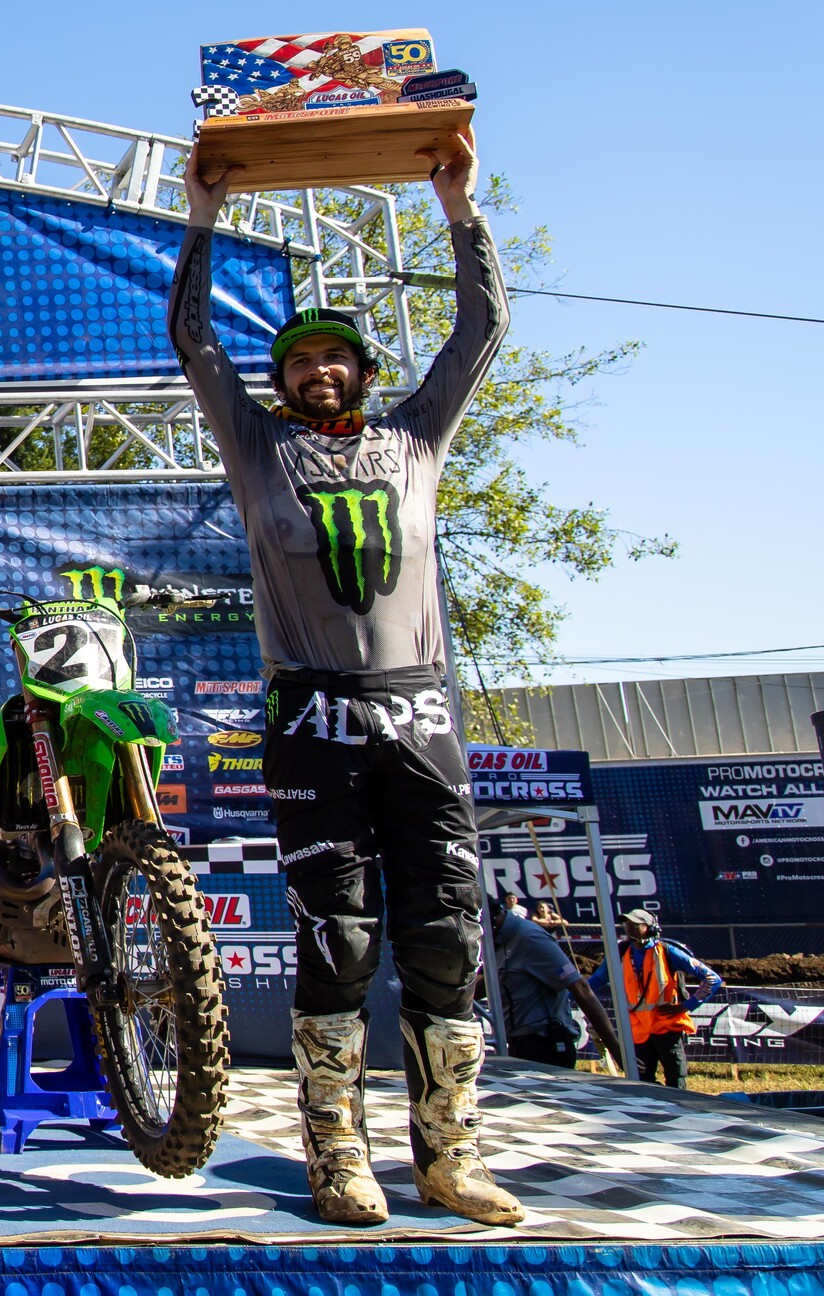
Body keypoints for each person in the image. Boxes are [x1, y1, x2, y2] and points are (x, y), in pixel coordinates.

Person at [169, 133, 519, 1228]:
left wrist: (459, 207)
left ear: (365, 372)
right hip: (312, 713)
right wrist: (201, 217)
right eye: (300, 360)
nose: (318, 368)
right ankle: (337, 1155)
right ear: (280, 381)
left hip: (421, 708)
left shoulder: (416, 440)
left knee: (448, 936)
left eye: (337, 356)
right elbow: (192, 339)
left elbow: (481, 330)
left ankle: (450, 1155)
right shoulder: (259, 448)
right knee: (342, 937)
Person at [587, 908, 722, 1088]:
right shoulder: (620, 952)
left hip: (667, 1028)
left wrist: (685, 1006)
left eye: (636, 924)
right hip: (637, 1031)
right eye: (627, 923)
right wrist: (570, 991)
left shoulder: (668, 951)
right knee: (642, 1084)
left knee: (676, 1083)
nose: (629, 927)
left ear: (650, 927)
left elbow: (712, 979)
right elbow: (598, 979)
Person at [493, 899, 623, 1071]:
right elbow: (483, 983)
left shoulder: (530, 937)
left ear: (490, 919)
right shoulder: (497, 942)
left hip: (546, 1045)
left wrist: (617, 1051)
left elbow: (581, 986)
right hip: (518, 1042)